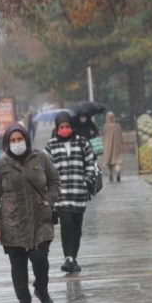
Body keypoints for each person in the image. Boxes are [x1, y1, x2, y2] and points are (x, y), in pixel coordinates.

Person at [0, 123, 61, 303]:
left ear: (27, 140)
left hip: (40, 220)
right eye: (13, 140)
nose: (17, 143)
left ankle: (42, 290)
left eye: (20, 139)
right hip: (13, 222)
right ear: (7, 143)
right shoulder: (2, 165)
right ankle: (24, 302)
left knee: (40, 259)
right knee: (18, 266)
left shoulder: (40, 158)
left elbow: (54, 182)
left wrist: (48, 201)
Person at [45, 112, 96, 274]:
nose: (65, 129)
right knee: (66, 225)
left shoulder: (82, 142)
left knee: (77, 228)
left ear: (71, 127)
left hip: (79, 193)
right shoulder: (51, 145)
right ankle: (68, 258)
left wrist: (87, 180)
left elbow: (90, 162)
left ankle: (73, 258)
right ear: (57, 128)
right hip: (61, 196)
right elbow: (45, 169)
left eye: (67, 126)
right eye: (62, 127)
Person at [101, 111, 123, 182]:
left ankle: (111, 174)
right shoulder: (118, 126)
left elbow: (103, 134)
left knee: (109, 161)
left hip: (108, 146)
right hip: (117, 146)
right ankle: (118, 172)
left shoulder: (106, 126)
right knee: (117, 161)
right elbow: (121, 135)